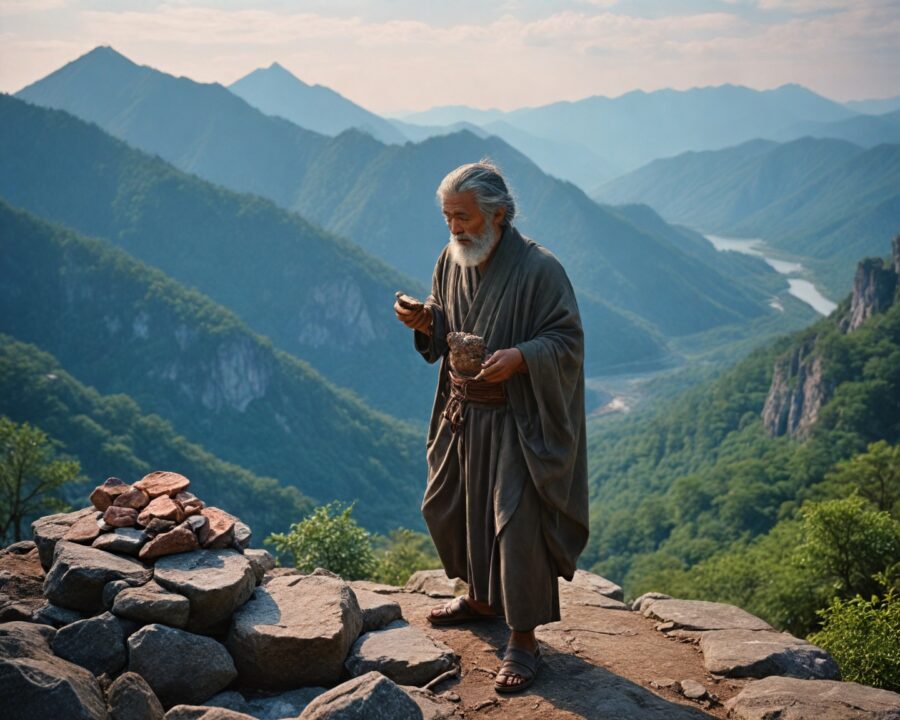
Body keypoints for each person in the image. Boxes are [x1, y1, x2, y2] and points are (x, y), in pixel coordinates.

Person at [394, 160, 589, 694]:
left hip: (517, 419)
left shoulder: (540, 269)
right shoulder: (450, 259)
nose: (453, 227)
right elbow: (447, 321)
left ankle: (523, 639)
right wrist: (426, 320)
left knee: (514, 522)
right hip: (462, 415)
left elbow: (567, 340)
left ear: (498, 214)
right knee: (453, 507)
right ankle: (480, 598)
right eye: (447, 217)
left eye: (463, 216)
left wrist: (523, 357)